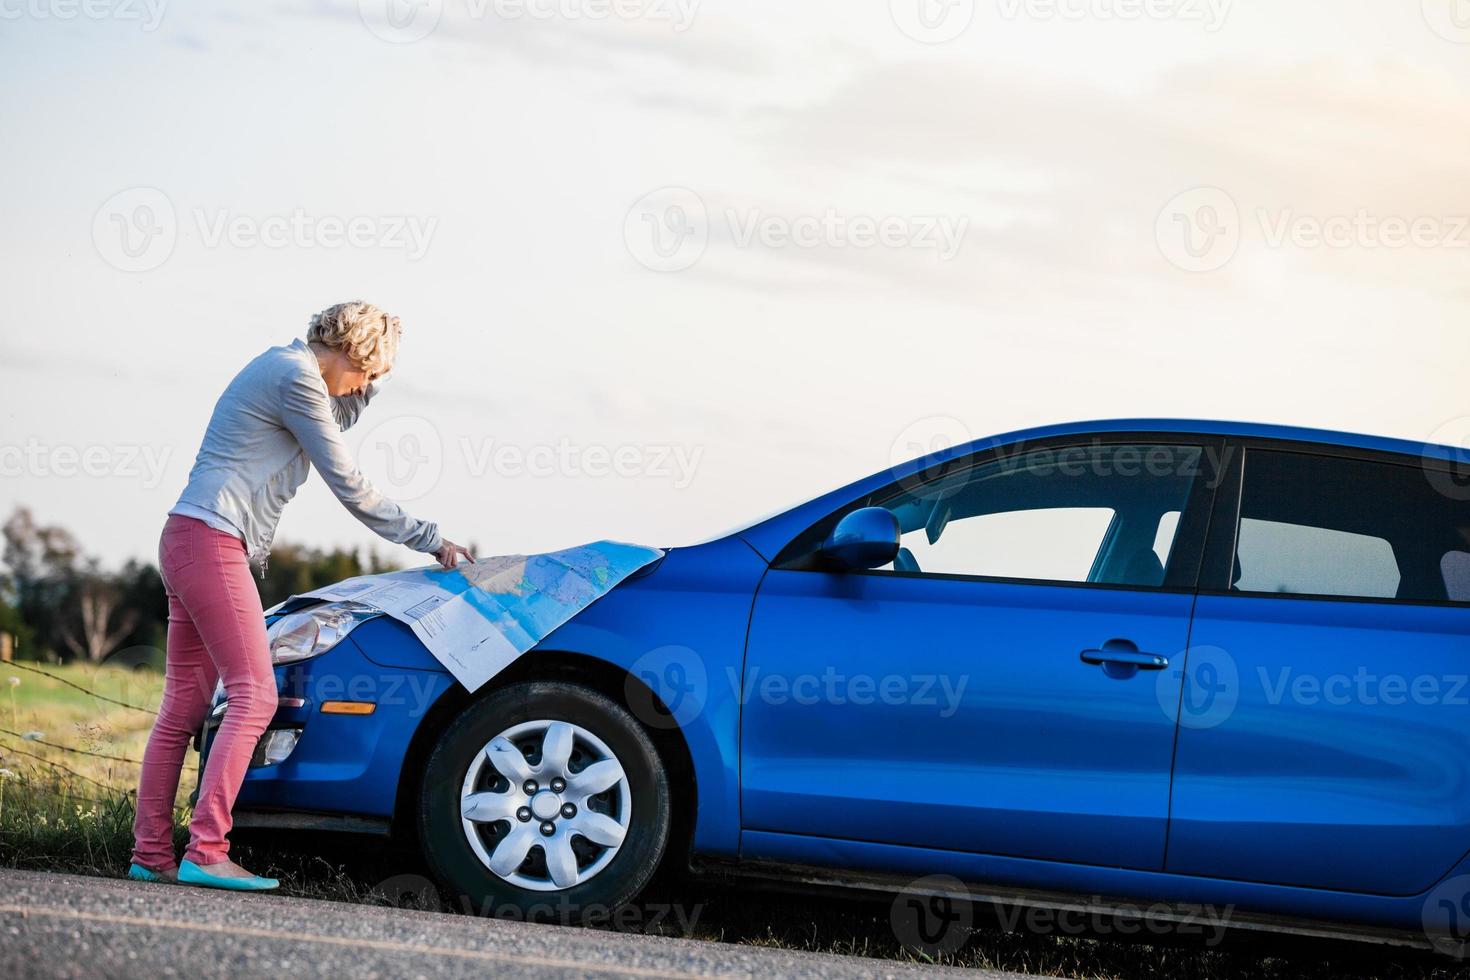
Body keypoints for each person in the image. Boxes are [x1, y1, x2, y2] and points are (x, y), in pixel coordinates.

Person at [129, 302, 474, 891]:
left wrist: (373, 380)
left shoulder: (287, 371)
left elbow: (338, 415)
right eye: (370, 372)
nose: (366, 386)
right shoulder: (294, 377)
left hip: (190, 535)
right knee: (256, 697)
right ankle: (206, 850)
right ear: (352, 354)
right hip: (211, 541)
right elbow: (350, 484)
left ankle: (151, 854)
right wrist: (430, 539)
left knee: (183, 708)